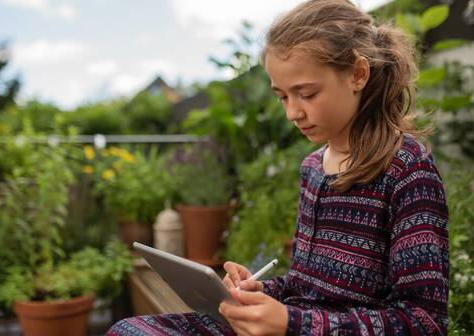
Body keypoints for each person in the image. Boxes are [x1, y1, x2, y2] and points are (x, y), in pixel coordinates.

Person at [106, 0, 449, 334]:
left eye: (307, 94)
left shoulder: (407, 171)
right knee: (130, 330)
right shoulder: (314, 167)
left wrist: (291, 322)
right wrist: (258, 293)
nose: (292, 113)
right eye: (283, 96)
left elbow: (423, 321)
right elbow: (305, 286)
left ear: (358, 74)